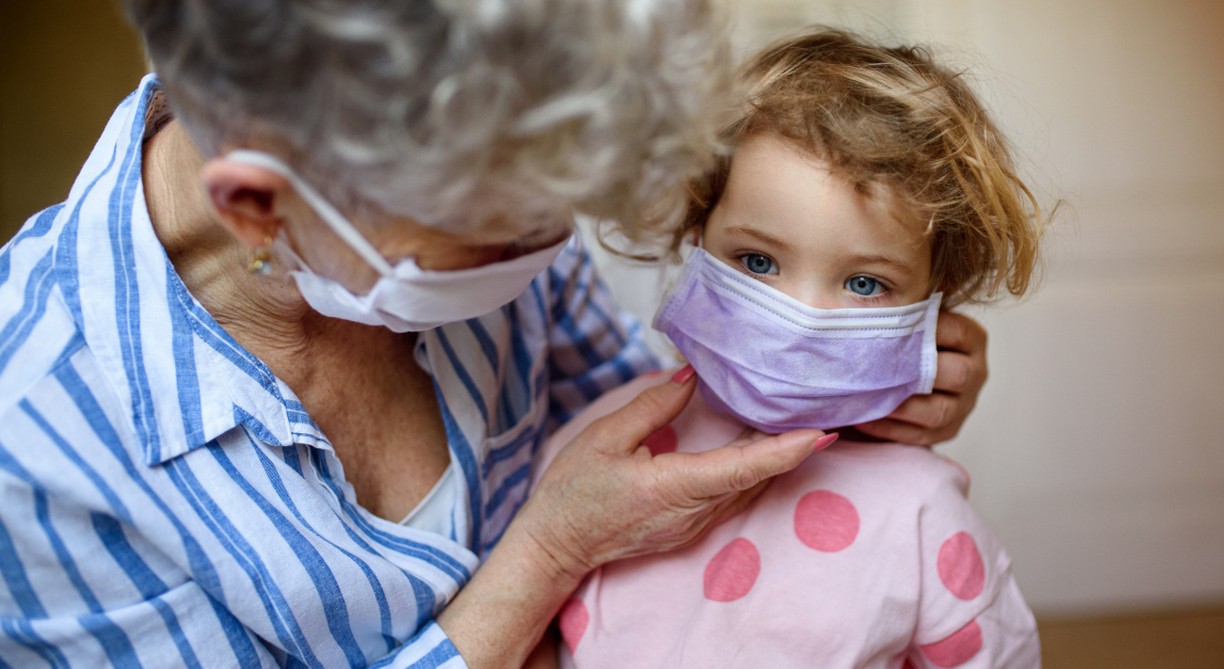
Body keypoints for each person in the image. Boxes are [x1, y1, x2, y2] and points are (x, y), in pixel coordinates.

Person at [0, 3, 990, 666]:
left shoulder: (490, 204)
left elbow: (667, 434)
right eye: (492, 237)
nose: (548, 253)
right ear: (259, 205)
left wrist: (862, 383)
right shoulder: (36, 439)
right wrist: (545, 553)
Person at [536, 27, 1045, 668]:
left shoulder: (921, 515)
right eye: (758, 261)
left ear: (933, 302)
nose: (802, 323)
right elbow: (536, 635)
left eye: (864, 283)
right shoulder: (603, 445)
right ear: (698, 234)